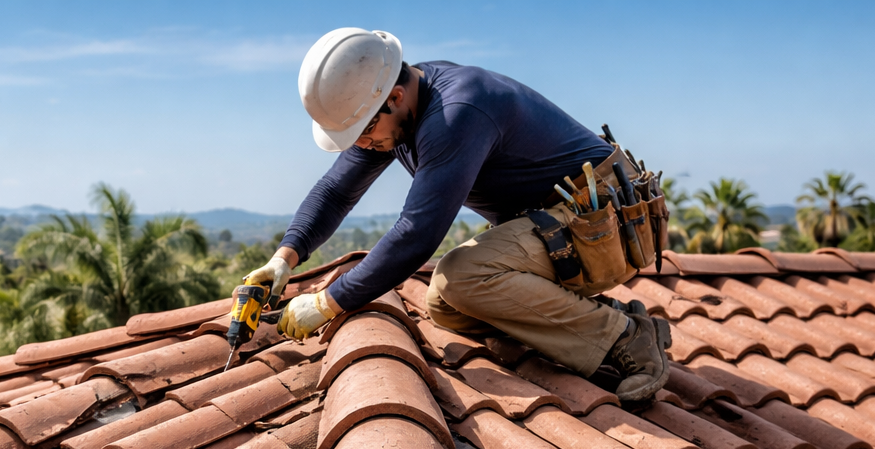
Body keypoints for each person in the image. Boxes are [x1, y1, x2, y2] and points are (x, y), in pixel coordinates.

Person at [248, 28, 670, 401]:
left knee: (462, 277)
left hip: (601, 219)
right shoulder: (399, 109)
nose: (361, 146)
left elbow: (418, 232)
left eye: (362, 133)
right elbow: (336, 192)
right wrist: (283, 258)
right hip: (554, 224)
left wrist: (329, 302)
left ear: (394, 97)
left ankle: (627, 339)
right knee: (444, 304)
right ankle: (604, 320)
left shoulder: (456, 113)